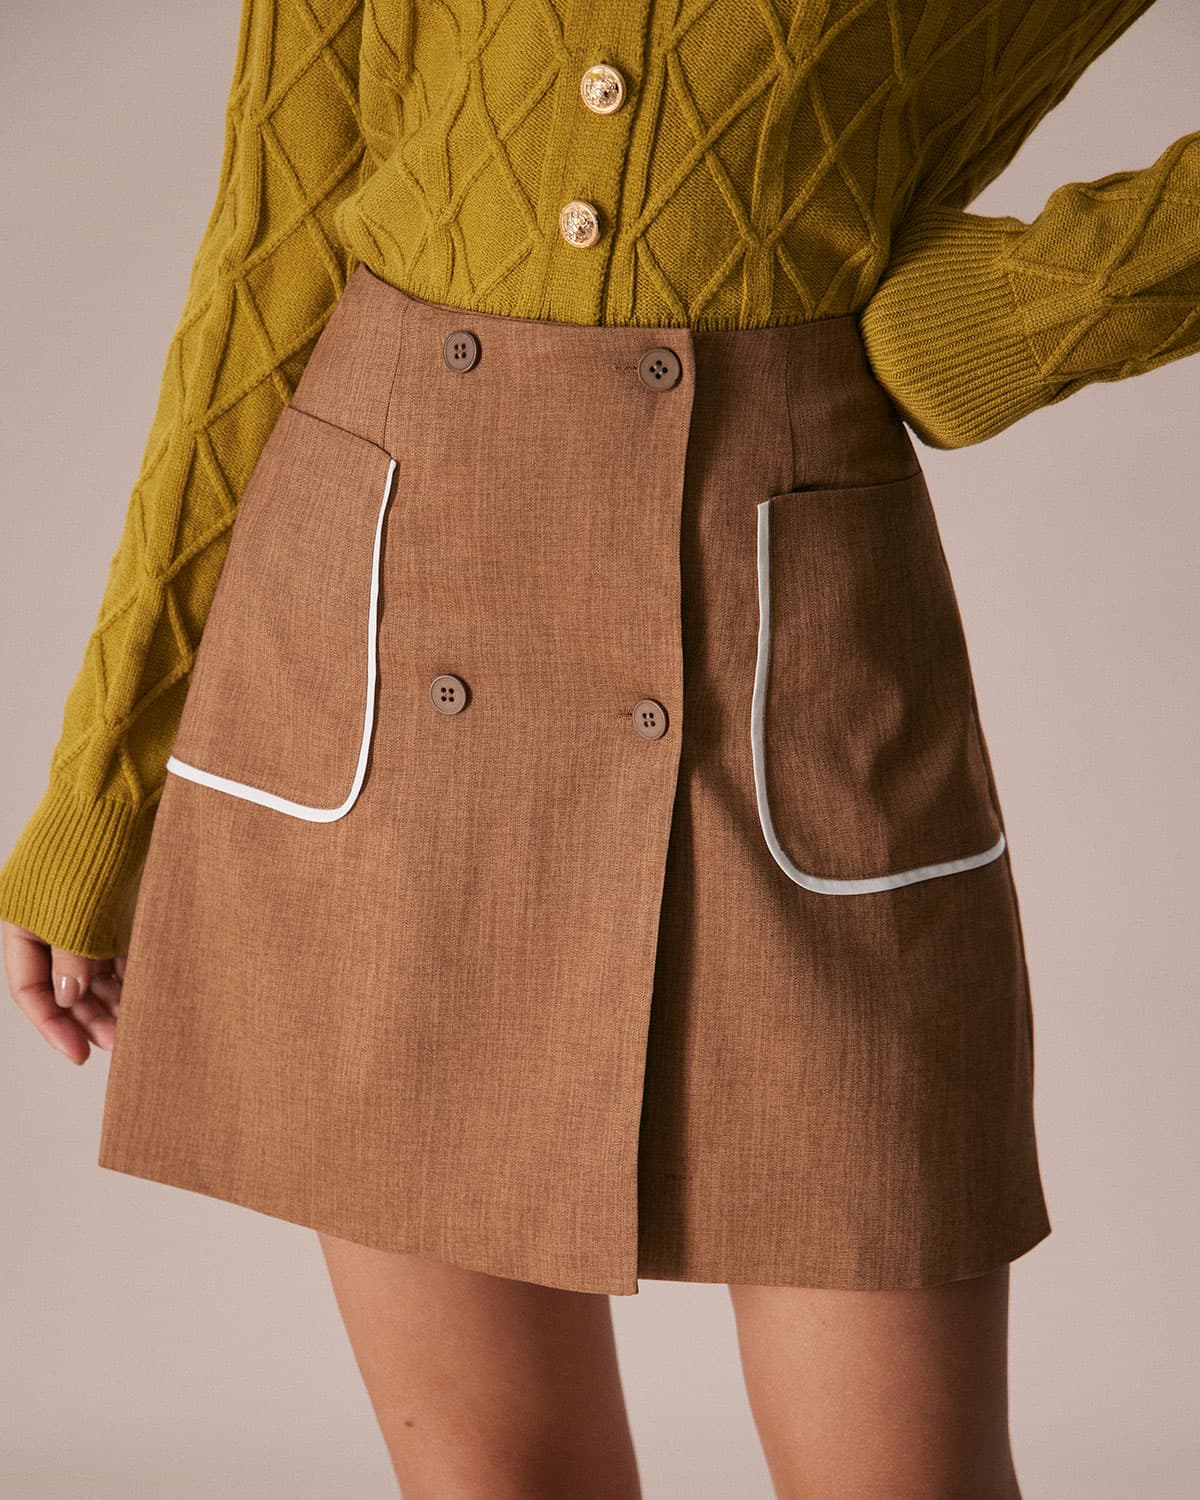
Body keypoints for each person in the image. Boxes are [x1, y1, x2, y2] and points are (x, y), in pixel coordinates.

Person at [3, 2, 1196, 1495]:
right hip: (381, 632)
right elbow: (269, 248)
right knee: (500, 1480)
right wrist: (106, 780)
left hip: (781, 652)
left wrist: (1034, 308)